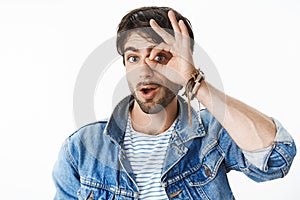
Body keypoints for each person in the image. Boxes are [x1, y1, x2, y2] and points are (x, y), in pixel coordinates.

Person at [52, 6, 297, 200]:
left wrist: (196, 83)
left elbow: (276, 158)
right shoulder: (81, 148)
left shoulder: (213, 133)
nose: (144, 69)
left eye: (160, 56)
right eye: (133, 57)